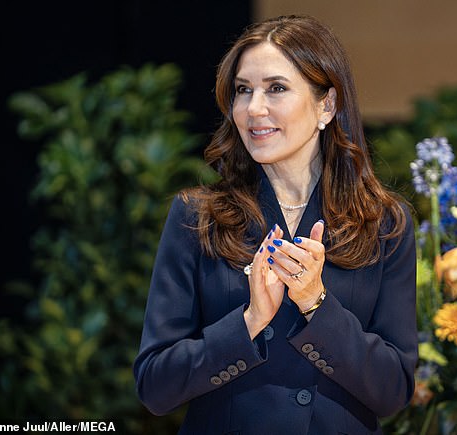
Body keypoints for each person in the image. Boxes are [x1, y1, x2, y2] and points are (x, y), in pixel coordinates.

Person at [133, 14, 417, 434]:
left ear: (327, 105)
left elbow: (393, 390)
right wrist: (248, 323)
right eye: (243, 90)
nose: (253, 109)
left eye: (276, 89)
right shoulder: (197, 217)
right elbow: (155, 386)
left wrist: (316, 304)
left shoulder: (384, 223)